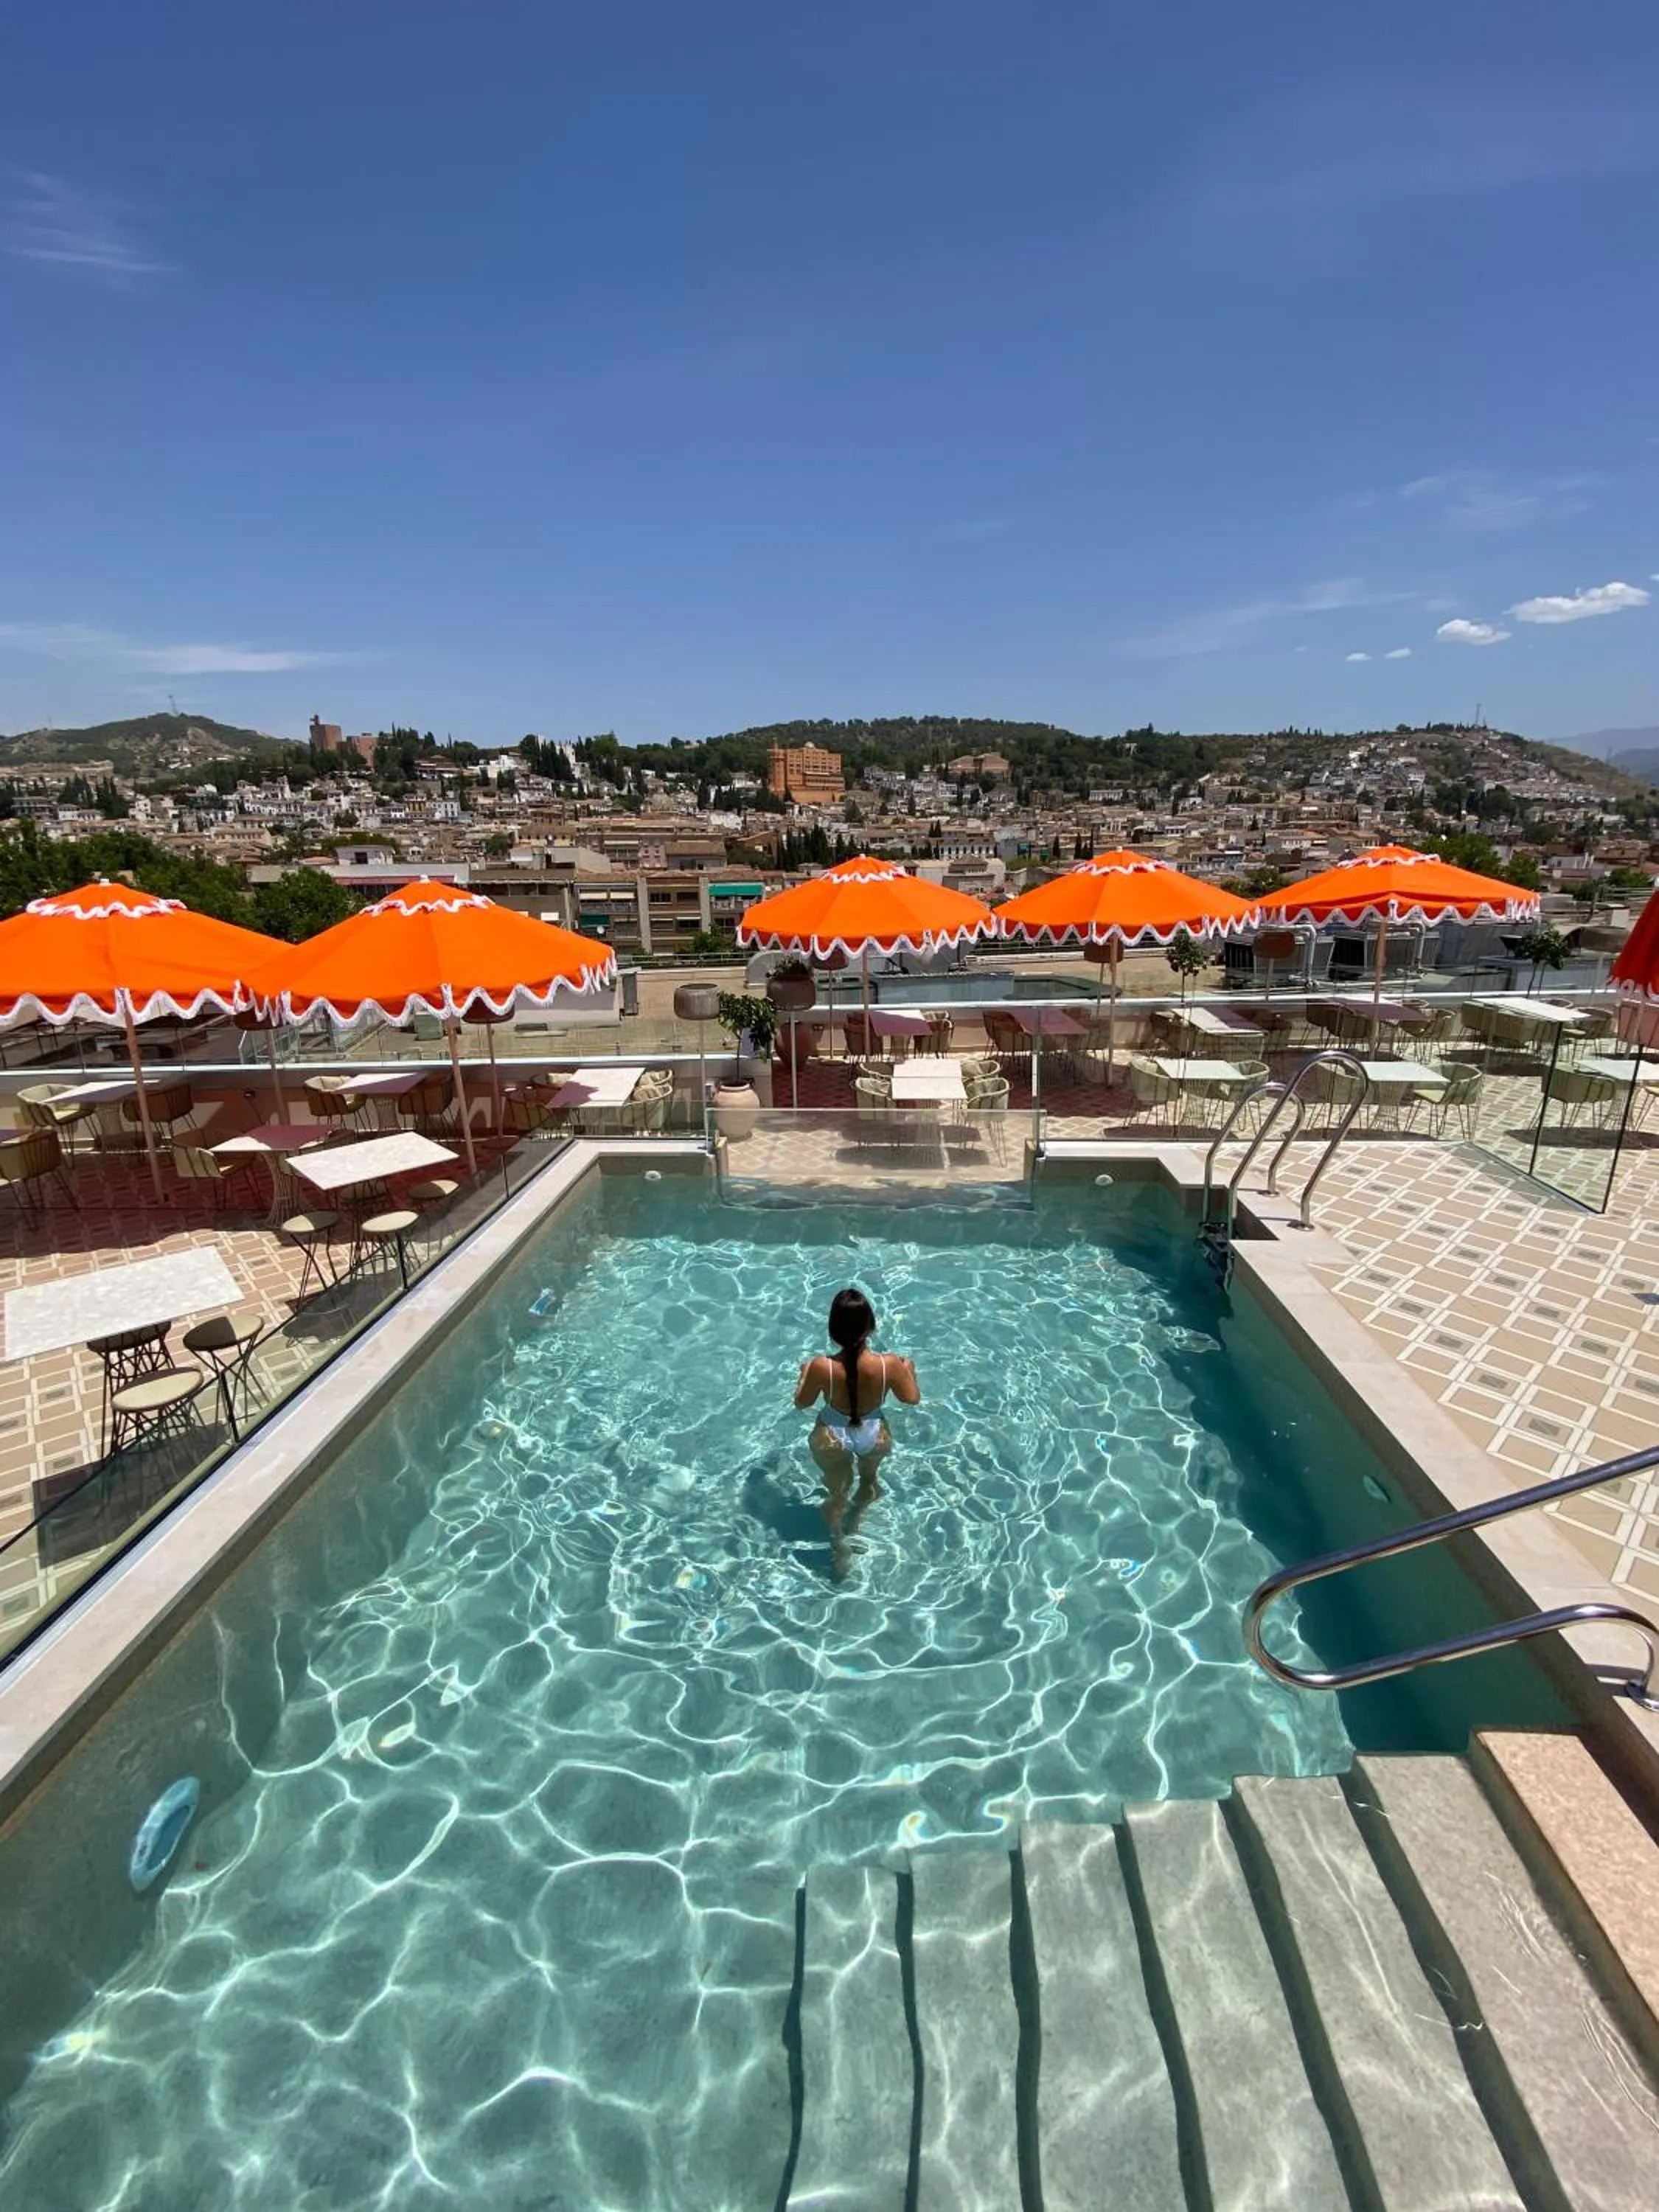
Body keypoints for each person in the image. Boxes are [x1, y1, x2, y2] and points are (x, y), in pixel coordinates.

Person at [795, 1287, 920, 1571]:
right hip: (874, 1434)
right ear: (870, 1326)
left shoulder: (821, 1366)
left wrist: (803, 1376)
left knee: (837, 1492)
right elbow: (911, 1399)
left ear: (833, 1329)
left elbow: (802, 1404)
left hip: (831, 1434)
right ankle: (856, 1520)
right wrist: (910, 1370)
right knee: (868, 1482)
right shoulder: (890, 1365)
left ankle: (839, 1542)